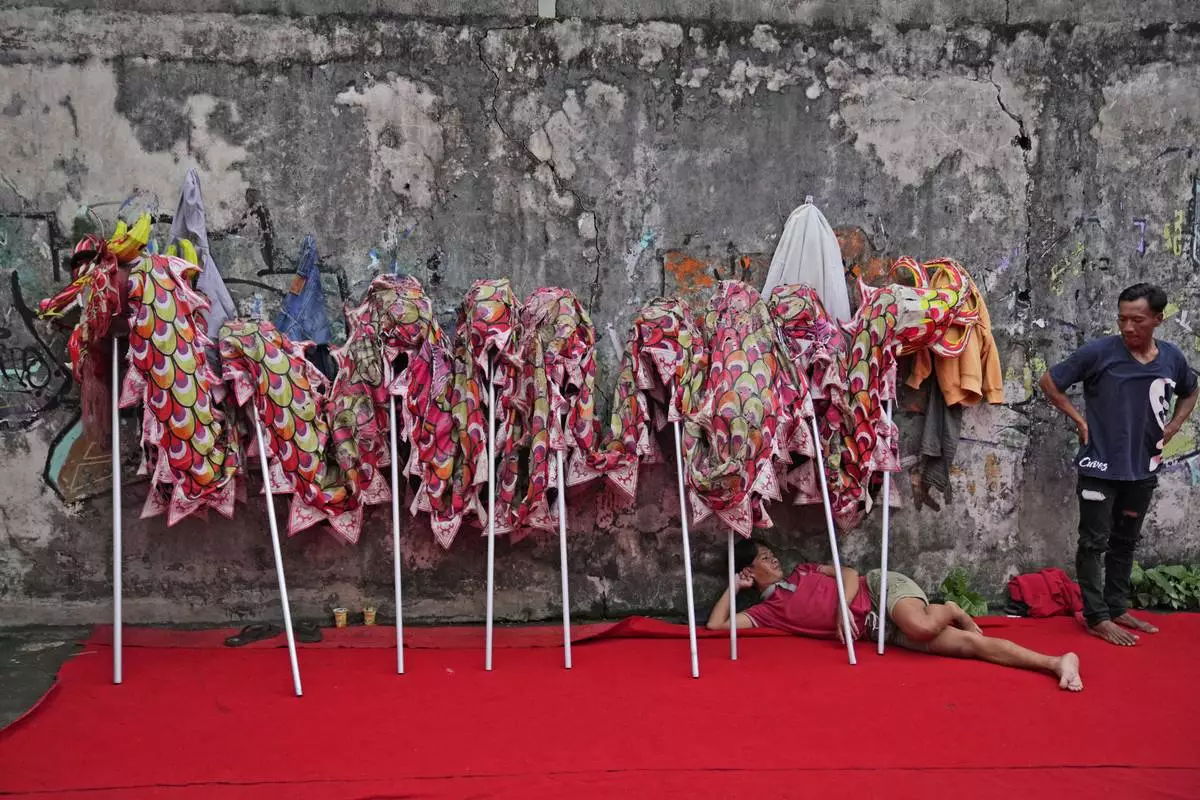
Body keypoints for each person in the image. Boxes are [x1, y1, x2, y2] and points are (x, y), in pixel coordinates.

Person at [707, 538, 1083, 691]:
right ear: (749, 571)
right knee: (967, 645)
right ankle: (1055, 663)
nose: (773, 558)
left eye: (772, 553)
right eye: (763, 557)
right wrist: (733, 587)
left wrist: (842, 608)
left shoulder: (805, 570)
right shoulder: (768, 611)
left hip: (881, 590)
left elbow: (850, 572)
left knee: (920, 626)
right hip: (877, 629)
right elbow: (716, 626)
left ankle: (950, 608)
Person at [1039, 283, 1198, 646]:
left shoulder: (1172, 358)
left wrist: (1173, 426)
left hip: (1143, 467)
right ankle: (1096, 616)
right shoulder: (1099, 353)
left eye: (1137, 320)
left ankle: (1116, 605)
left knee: (1125, 541)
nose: (1128, 327)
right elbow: (1050, 381)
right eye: (1122, 318)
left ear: (1157, 320)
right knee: (1094, 543)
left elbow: (1190, 390)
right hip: (1099, 465)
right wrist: (1079, 421)